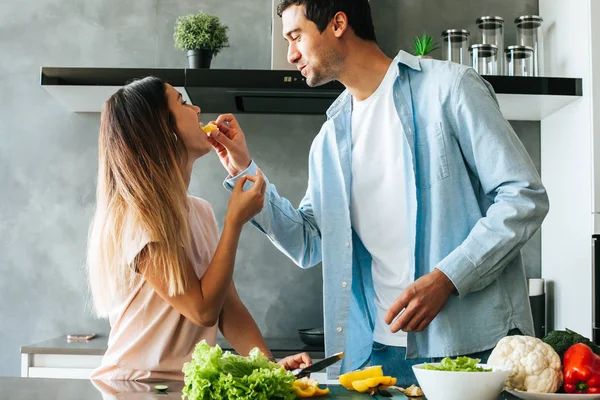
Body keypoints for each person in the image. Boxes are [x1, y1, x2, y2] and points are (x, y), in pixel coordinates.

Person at [205, 0, 549, 385]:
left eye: (296, 36)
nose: (290, 54)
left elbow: (523, 196)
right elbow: (309, 241)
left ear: (338, 23)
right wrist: (243, 170)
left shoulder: (449, 88)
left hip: (469, 349)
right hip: (375, 356)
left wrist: (448, 278)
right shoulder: (329, 140)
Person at [86, 76, 310, 381]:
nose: (196, 108)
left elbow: (226, 307)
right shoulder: (138, 217)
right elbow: (202, 309)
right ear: (162, 129)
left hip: (183, 387)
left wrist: (269, 367)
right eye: (181, 102)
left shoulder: (200, 212)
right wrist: (234, 222)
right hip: (136, 385)